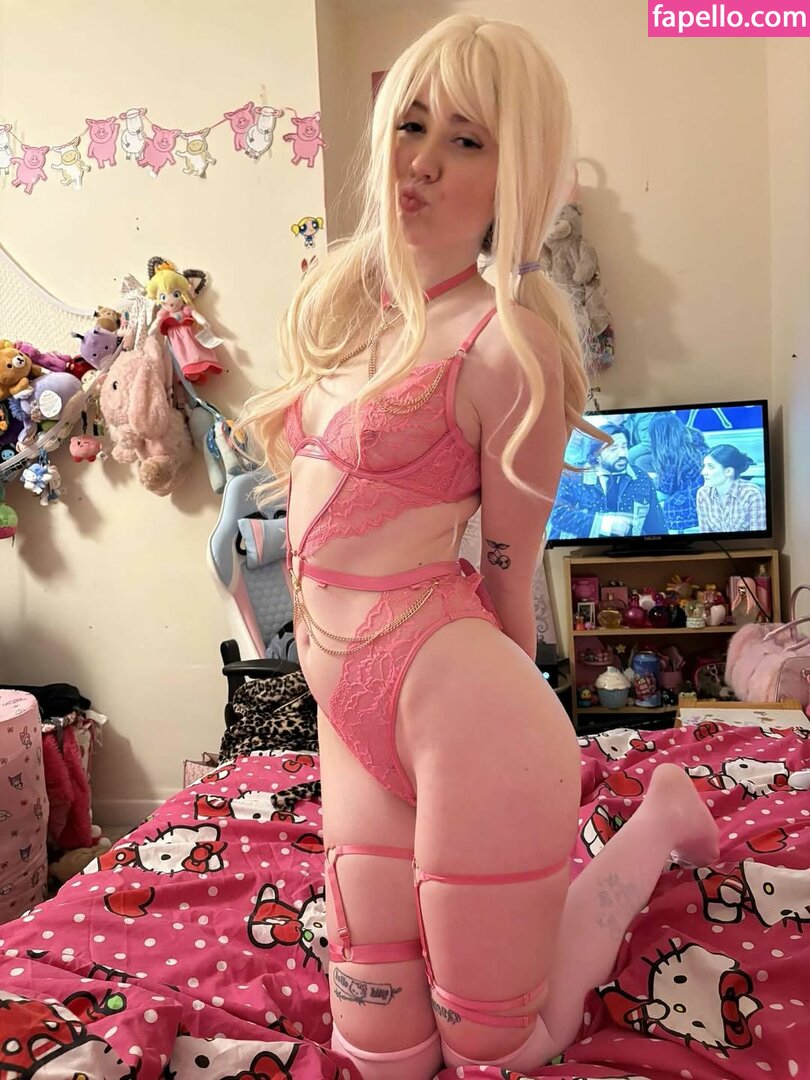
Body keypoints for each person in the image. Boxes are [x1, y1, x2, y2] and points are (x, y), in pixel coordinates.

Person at [240, 15, 718, 1077]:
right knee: (380, 1050)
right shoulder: (348, 308)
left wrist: (517, 736)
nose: (422, 161)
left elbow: (511, 567)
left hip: (463, 712)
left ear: (517, 175)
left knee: (499, 1047)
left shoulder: (510, 342)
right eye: (412, 125)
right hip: (349, 708)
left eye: (466, 140)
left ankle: (654, 827)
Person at [547, 422, 667, 540]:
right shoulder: (572, 476)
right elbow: (557, 515)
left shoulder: (640, 477)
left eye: (624, 446)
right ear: (596, 454)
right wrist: (603, 523)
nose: (622, 453)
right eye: (613, 449)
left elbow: (656, 526)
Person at [648, 412, 708, 533]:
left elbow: (667, 487)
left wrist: (653, 480)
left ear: (659, 435)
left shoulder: (672, 454)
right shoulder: (696, 443)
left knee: (649, 497)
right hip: (703, 499)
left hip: (686, 508)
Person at [697, 444, 767, 533]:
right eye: (704, 466)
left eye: (710, 467)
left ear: (728, 471)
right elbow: (705, 535)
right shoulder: (703, 494)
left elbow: (758, 536)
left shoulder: (752, 493)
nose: (703, 472)